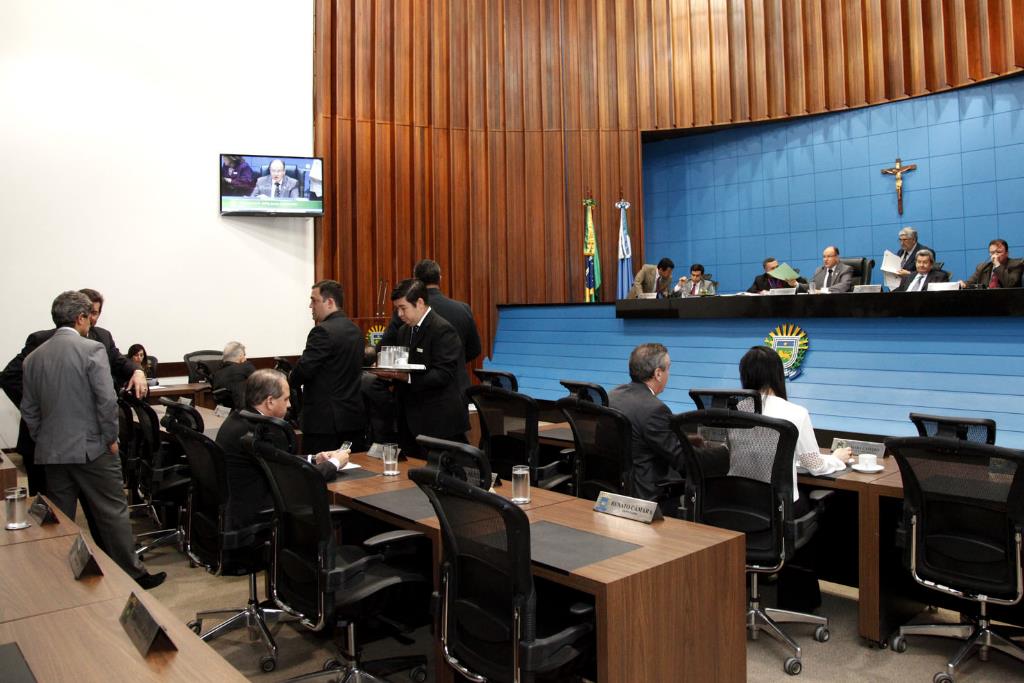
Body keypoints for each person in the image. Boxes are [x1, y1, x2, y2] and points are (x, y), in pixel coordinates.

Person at [20, 291, 165, 589]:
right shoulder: (92, 349)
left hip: (52, 451)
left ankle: (62, 579)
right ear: (80, 318)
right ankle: (131, 574)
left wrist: (43, 438)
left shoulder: (34, 358)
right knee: (112, 512)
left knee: (60, 520)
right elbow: (106, 401)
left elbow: (29, 410)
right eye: (89, 317)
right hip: (94, 449)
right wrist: (111, 438)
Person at [1, 287, 146, 496]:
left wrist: (138, 371)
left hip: (92, 444)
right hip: (48, 441)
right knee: (50, 505)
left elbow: (120, 362)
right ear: (78, 314)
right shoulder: (41, 341)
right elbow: (9, 377)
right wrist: (46, 404)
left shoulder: (102, 338)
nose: (92, 318)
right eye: (89, 313)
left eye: (96, 313)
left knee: (94, 504)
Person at [216, 369, 350, 528]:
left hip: (235, 507)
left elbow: (276, 459)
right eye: (286, 399)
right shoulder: (261, 431)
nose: (290, 405)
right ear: (270, 401)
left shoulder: (239, 418)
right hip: (256, 512)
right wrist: (334, 463)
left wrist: (314, 458)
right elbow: (295, 479)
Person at [738, 346, 849, 510]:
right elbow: (815, 466)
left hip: (739, 504)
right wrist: (836, 459)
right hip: (779, 509)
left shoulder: (735, 411)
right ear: (778, 375)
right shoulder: (796, 413)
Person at [378, 279, 468, 458]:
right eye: (397, 309)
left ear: (419, 303)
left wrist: (406, 377)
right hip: (409, 419)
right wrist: (389, 374)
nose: (399, 314)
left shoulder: (442, 329)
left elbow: (443, 375)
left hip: (437, 421)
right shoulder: (404, 331)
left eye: (403, 308)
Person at [379, 258, 482, 401]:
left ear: (416, 281)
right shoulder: (463, 309)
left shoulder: (410, 312)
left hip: (434, 396)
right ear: (440, 278)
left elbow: (386, 346)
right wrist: (454, 359)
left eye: (402, 309)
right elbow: (474, 350)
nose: (400, 313)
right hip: (454, 390)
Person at [607, 343, 690, 515]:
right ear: (658, 374)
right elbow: (681, 460)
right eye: (668, 369)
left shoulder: (612, 395)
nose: (669, 374)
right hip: (644, 501)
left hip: (612, 490)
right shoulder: (655, 410)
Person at [290, 279, 366, 454]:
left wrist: (290, 378)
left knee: (320, 469)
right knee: (354, 468)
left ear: (330, 302)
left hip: (324, 423)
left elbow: (304, 370)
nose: (310, 306)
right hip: (352, 418)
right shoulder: (356, 331)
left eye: (314, 300)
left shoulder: (322, 331)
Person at [361, 346, 398, 445]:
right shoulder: (373, 380)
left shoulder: (361, 375)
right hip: (379, 432)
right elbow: (390, 405)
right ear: (376, 362)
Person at [211, 341, 256, 410]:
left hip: (228, 413)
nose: (245, 358)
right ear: (240, 356)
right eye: (244, 355)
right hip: (247, 412)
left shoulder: (216, 375)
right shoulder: (246, 367)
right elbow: (261, 383)